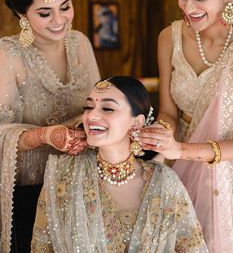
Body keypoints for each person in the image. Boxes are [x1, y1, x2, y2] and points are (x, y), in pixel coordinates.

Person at [31, 76, 208, 252]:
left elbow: (191, 247)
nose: (92, 115)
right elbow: (42, 247)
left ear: (136, 123)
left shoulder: (164, 182)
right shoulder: (64, 176)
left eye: (107, 108)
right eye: (88, 107)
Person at [0, 0, 100, 251]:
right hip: (30, 192)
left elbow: (98, 103)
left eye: (65, 7)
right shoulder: (9, 54)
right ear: (21, 13)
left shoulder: (80, 42)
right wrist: (46, 136)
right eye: (45, 12)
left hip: (82, 183)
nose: (59, 20)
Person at [139, 0, 233, 252]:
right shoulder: (169, 38)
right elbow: (169, 112)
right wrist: (159, 137)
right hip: (180, 167)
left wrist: (182, 150)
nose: (188, 6)